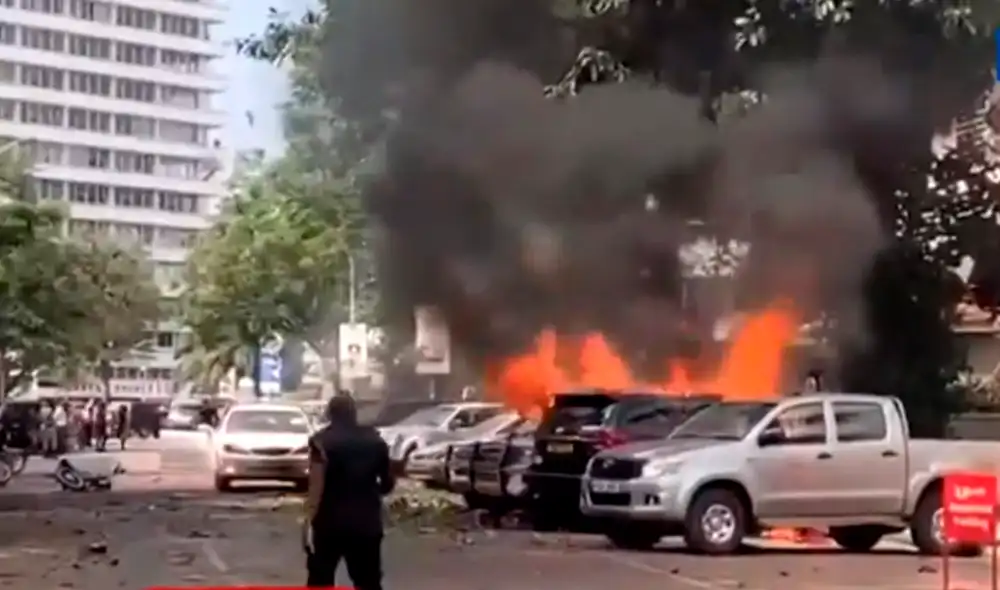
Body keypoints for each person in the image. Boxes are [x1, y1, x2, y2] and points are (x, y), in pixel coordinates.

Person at [304, 393, 395, 590]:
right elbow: (387, 483)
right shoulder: (376, 441)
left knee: (320, 580)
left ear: (330, 414)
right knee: (368, 582)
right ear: (354, 414)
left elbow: (316, 486)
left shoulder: (320, 442)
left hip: (329, 524)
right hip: (366, 524)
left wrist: (308, 521)